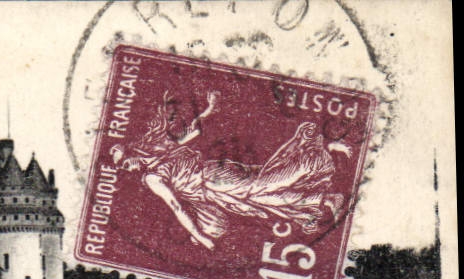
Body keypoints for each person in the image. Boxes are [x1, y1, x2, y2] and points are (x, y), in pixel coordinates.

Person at [112, 91, 350, 250]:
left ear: (134, 153)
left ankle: (319, 153)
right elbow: (194, 133)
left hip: (214, 179)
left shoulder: (153, 176)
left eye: (126, 162)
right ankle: (327, 197)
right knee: (263, 199)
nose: (129, 168)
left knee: (265, 185)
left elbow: (176, 206)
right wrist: (210, 108)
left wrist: (200, 236)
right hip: (215, 186)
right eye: (124, 167)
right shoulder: (159, 158)